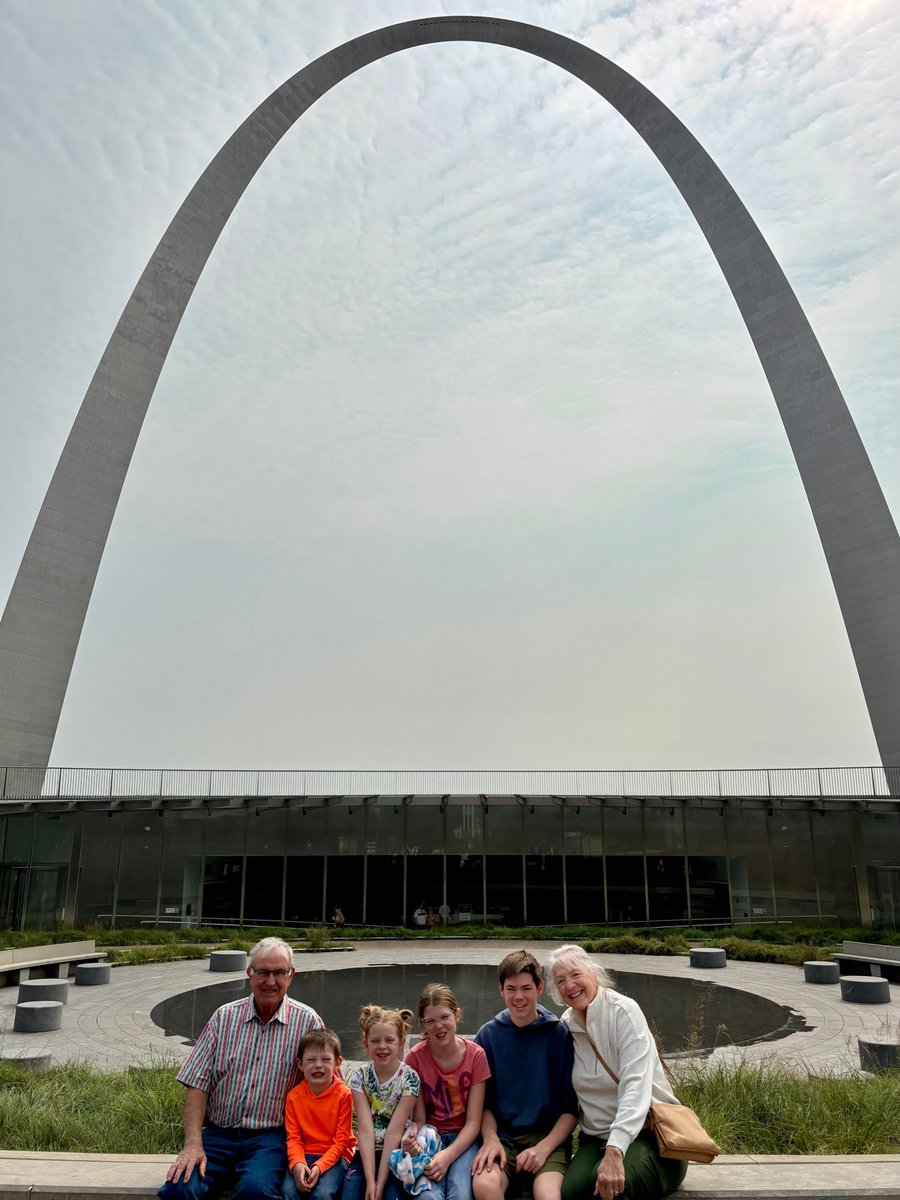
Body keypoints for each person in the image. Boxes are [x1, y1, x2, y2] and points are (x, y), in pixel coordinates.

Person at [159, 936, 322, 1200]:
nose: (271, 981)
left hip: (270, 1138)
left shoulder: (308, 1022)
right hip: (218, 1134)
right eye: (263, 972)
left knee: (256, 1191)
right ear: (249, 974)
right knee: (180, 1188)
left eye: (279, 972)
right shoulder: (224, 1017)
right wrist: (192, 1145)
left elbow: (329, 1087)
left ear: (291, 975)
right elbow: (197, 1085)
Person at [547, 944, 687, 1200]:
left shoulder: (624, 1012)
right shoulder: (567, 1025)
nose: (570, 985)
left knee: (607, 1189)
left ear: (593, 973)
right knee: (571, 1191)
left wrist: (615, 1151)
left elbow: (635, 1087)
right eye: (561, 981)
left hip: (651, 1138)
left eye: (576, 974)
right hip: (595, 1139)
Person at [472, 951, 577, 1200]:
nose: (519, 997)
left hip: (547, 1140)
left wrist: (543, 1149)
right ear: (501, 989)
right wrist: (489, 1140)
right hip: (502, 1139)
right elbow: (483, 1104)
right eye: (511, 989)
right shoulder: (488, 1036)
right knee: (484, 1186)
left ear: (539, 987)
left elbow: (571, 1109)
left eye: (526, 988)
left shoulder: (558, 1034)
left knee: (548, 1195)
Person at [404, 983, 490, 1200]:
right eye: (430, 1021)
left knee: (460, 1193)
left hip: (465, 1138)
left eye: (444, 1017)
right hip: (432, 1137)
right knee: (427, 1196)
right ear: (423, 1024)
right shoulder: (415, 1059)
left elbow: (473, 1122)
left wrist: (448, 1156)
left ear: (457, 1015)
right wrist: (416, 1143)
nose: (438, 1026)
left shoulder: (476, 1056)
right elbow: (420, 1118)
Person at [343, 1005, 420, 1200]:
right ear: (366, 1044)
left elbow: (394, 1132)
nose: (382, 1046)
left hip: (396, 1154)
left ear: (401, 1042)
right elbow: (366, 1131)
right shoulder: (360, 1077)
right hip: (367, 1153)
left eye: (389, 1040)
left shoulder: (409, 1079)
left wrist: (380, 1183)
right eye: (375, 1041)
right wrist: (371, 1181)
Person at [283, 1028, 355, 1200]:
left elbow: (341, 1142)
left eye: (325, 1059)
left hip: (336, 1156)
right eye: (311, 1060)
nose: (318, 1065)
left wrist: (319, 1166)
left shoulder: (344, 1095)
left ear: (338, 1063)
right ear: (300, 1064)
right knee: (289, 1192)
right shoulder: (294, 1096)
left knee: (322, 1194)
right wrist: (298, 1164)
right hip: (304, 1154)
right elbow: (293, 1138)